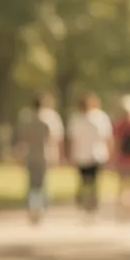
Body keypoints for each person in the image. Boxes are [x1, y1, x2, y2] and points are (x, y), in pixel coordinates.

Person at [15, 93, 64, 224]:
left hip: (30, 155)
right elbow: (53, 139)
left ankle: (32, 206)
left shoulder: (26, 119)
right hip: (44, 155)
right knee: (41, 183)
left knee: (32, 183)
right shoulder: (48, 120)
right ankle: (39, 207)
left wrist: (19, 155)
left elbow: (21, 139)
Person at [68, 94, 113, 216]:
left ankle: (87, 201)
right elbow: (107, 137)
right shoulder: (100, 117)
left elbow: (73, 139)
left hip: (87, 154)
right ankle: (90, 201)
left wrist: (71, 154)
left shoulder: (78, 118)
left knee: (86, 180)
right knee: (92, 181)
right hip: (95, 154)